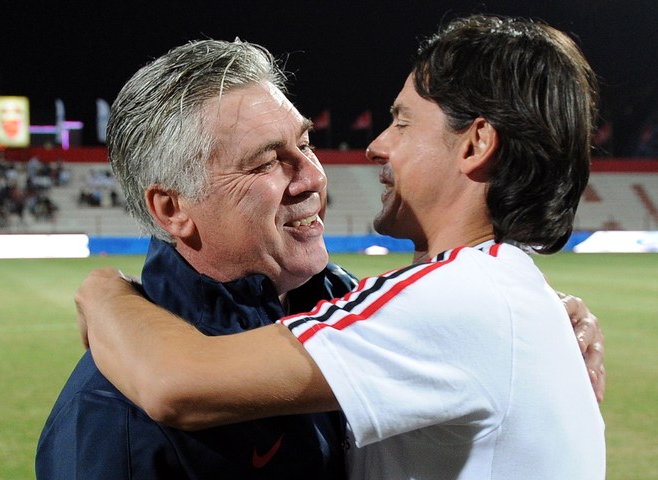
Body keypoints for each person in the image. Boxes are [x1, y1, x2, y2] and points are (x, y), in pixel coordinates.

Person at [75, 14, 606, 479]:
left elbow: (177, 382)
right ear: (171, 209)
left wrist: (104, 291)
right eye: (265, 161)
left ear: (475, 143)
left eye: (401, 122)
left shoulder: (467, 301)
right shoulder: (111, 407)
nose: (374, 146)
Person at [36, 39, 358, 480]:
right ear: (173, 209)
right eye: (267, 161)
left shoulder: (353, 306)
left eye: (306, 145)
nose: (313, 178)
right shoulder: (114, 418)